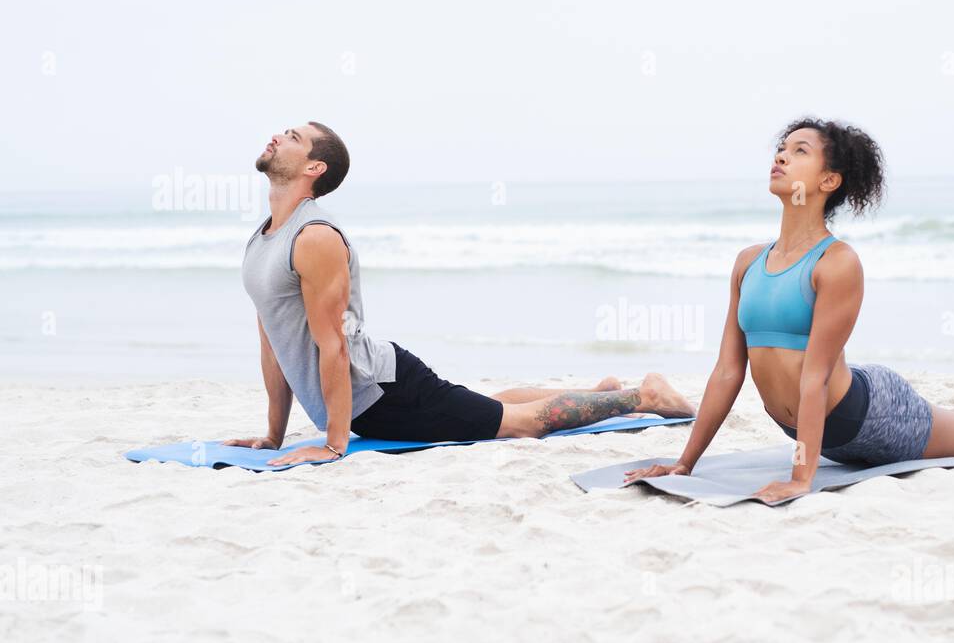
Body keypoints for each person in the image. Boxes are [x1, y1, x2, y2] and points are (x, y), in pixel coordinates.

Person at [624, 117, 954, 503]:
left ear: (829, 181)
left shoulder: (837, 263)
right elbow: (727, 371)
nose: (780, 157)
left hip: (867, 416)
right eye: (780, 148)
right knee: (950, 421)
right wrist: (685, 464)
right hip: (825, 422)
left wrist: (803, 478)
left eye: (799, 151)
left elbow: (815, 378)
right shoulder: (747, 263)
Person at [226, 122, 695, 467]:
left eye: (292, 136)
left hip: (385, 394)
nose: (277, 136)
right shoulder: (264, 238)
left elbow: (333, 344)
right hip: (372, 401)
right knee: (486, 406)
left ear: (314, 167)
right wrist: (273, 435)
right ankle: (598, 391)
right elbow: (273, 339)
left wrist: (332, 444)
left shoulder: (315, 238)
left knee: (519, 424)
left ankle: (642, 396)